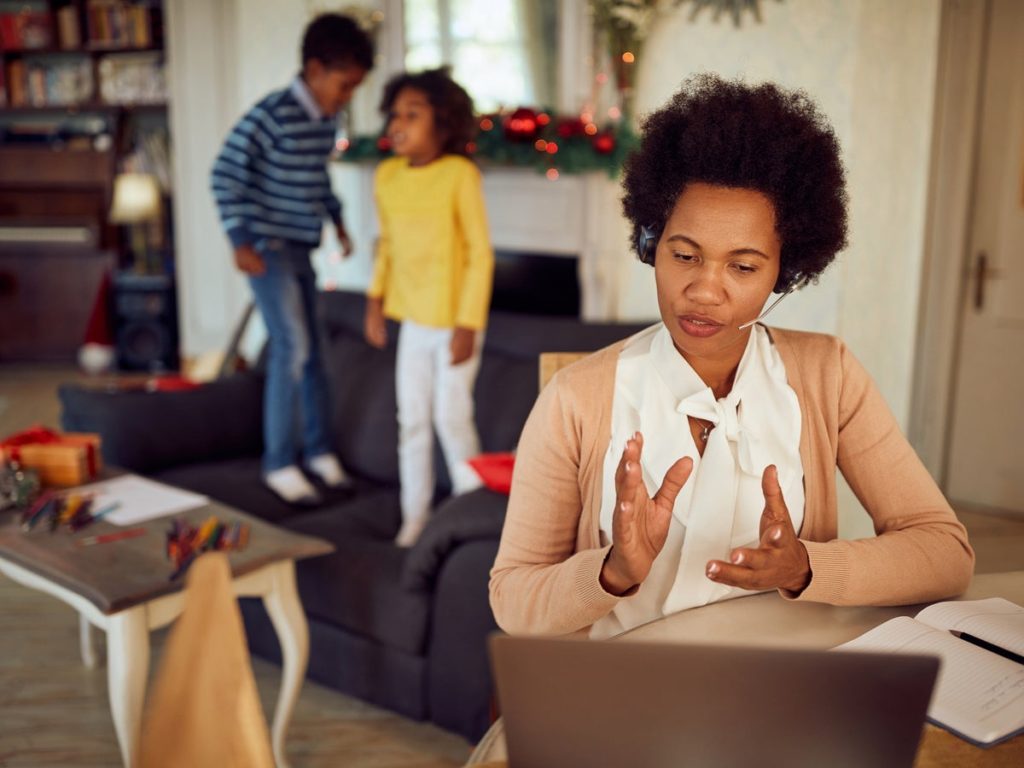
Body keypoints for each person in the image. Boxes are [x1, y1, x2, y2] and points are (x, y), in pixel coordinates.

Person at [489, 75, 974, 638]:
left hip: (786, 674)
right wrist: (613, 572)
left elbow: (946, 554)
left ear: (785, 273)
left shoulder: (829, 374)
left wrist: (807, 567)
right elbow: (513, 599)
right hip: (632, 680)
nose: (704, 291)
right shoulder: (576, 397)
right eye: (684, 255)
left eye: (742, 267)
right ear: (650, 246)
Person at [210, 14, 373, 505]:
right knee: (292, 346)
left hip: (301, 246)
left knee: (316, 350)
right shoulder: (273, 113)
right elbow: (224, 173)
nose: (347, 97)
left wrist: (337, 220)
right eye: (344, 85)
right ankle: (279, 462)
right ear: (315, 69)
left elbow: (317, 179)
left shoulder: (324, 121)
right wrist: (239, 239)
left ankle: (319, 451)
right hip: (266, 247)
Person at [364, 68, 494, 547]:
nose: (398, 124)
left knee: (451, 417)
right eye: (395, 114)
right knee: (411, 422)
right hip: (414, 322)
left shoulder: (459, 175)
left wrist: (468, 324)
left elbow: (479, 254)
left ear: (442, 123)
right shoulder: (387, 176)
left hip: (456, 321)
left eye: (412, 115)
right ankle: (414, 518)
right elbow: (387, 246)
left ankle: (473, 511)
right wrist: (375, 301)